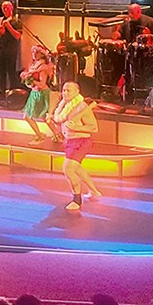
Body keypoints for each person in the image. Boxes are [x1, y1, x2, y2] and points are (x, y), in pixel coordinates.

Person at [50, 81, 104, 212]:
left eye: (69, 90)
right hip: (69, 141)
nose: (65, 93)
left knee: (68, 169)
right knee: (77, 168)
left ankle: (77, 200)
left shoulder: (82, 108)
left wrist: (77, 127)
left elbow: (94, 128)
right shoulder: (65, 106)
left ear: (77, 92)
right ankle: (94, 191)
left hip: (81, 142)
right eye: (64, 90)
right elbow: (61, 122)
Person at [20, 45, 60, 144]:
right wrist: (28, 82)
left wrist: (31, 82)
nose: (34, 54)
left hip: (41, 93)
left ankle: (51, 134)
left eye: (36, 52)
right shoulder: (34, 65)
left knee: (43, 116)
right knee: (28, 116)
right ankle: (51, 134)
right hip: (34, 93)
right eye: (33, 52)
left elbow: (42, 84)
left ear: (42, 54)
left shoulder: (43, 67)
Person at [0, 0, 24, 102]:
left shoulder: (16, 20)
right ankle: (2, 95)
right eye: (3, 8)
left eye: (7, 8)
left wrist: (8, 26)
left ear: (11, 8)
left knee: (11, 74)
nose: (5, 10)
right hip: (1, 51)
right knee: (1, 74)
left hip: (11, 51)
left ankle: (13, 96)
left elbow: (18, 36)